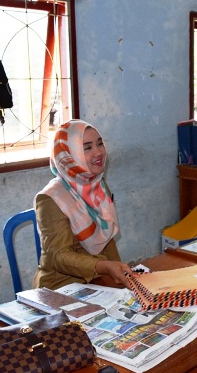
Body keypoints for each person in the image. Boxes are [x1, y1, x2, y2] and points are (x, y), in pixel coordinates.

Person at [33, 119, 135, 290]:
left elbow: (106, 236)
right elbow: (60, 257)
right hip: (62, 288)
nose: (98, 152)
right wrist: (105, 266)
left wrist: (120, 272)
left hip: (97, 281)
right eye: (87, 147)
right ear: (69, 154)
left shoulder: (98, 186)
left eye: (100, 144)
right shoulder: (51, 198)